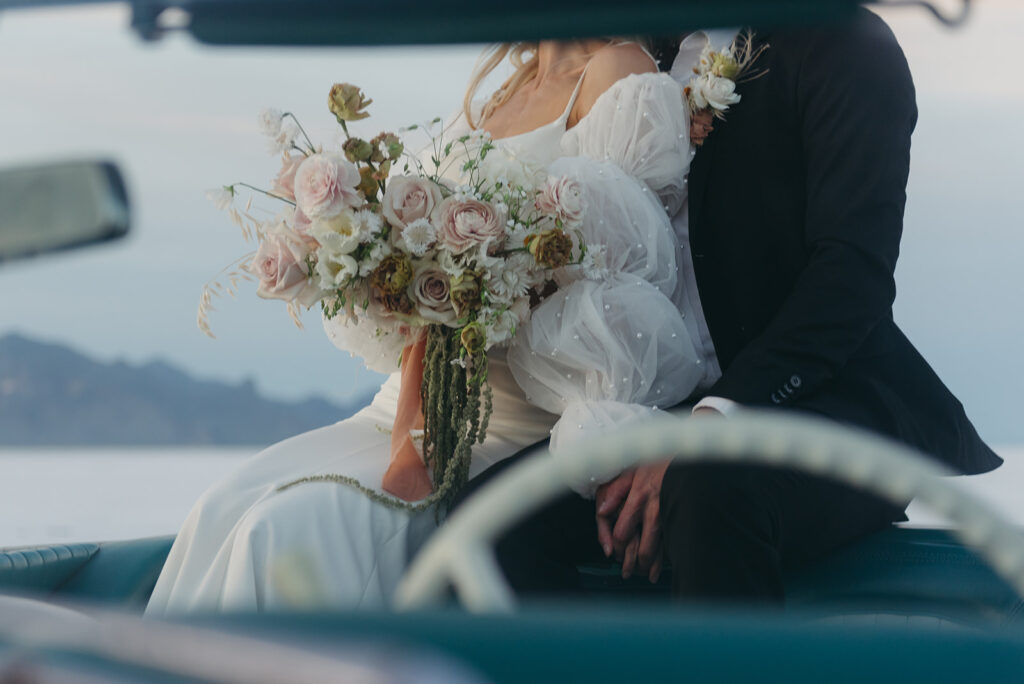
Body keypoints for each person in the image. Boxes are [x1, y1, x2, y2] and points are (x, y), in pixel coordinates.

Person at [455, 10, 1002, 603]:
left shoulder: (845, 43)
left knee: (709, 491)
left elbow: (852, 277)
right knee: (487, 523)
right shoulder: (647, 53)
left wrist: (714, 421)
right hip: (666, 407)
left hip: (830, 402)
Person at [146, 38, 706, 614]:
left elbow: (632, 273)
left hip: (505, 422)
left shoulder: (617, 72)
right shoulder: (493, 94)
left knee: (280, 527)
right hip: (402, 406)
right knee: (220, 507)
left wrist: (491, 271)